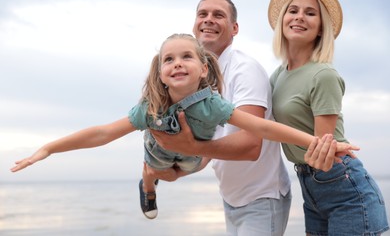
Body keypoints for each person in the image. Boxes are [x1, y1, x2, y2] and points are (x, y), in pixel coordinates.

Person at [10, 33, 347, 222]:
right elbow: (103, 133)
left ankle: (162, 173)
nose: (176, 63)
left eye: (186, 56)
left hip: (192, 157)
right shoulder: (150, 107)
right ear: (160, 73)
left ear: (203, 68)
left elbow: (263, 127)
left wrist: (318, 141)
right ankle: (148, 185)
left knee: (197, 159)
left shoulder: (212, 104)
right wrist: (48, 149)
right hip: (159, 155)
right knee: (154, 167)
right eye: (168, 59)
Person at [147, 0, 357, 235]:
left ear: (235, 28)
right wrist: (180, 171)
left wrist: (191, 147)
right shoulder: (204, 80)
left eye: (219, 15)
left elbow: (251, 144)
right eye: (202, 14)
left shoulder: (244, 70)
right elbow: (212, 142)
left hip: (262, 197)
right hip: (234, 198)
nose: (208, 20)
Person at [267, 0, 389, 235]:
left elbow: (321, 152)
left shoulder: (323, 75)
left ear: (321, 29)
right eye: (293, 10)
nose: (300, 16)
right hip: (309, 186)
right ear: (282, 20)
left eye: (311, 13)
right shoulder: (278, 75)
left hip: (344, 187)